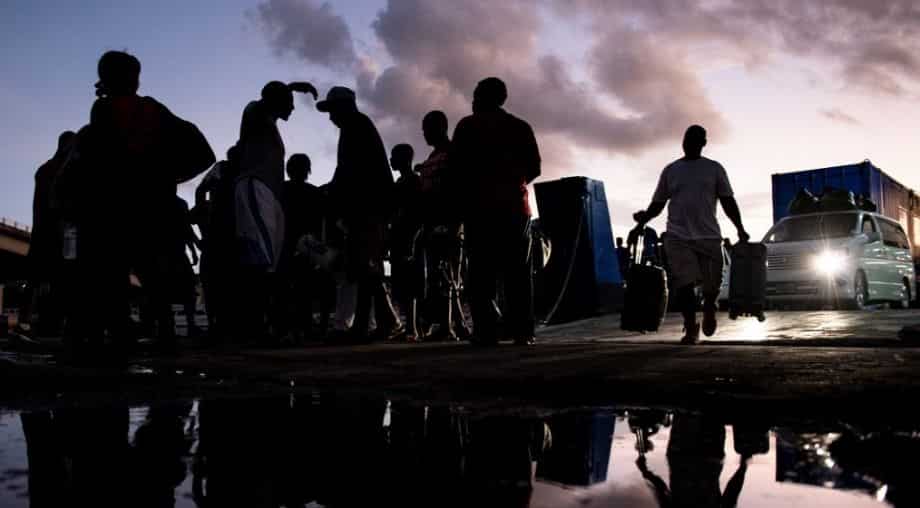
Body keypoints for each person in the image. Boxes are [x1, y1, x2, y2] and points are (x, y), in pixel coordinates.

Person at [54, 50, 215, 353]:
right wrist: (168, 177)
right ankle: (156, 334)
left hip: (116, 213)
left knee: (114, 276)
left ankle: (118, 334)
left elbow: (76, 174)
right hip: (146, 210)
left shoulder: (103, 119)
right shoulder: (149, 112)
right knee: (151, 276)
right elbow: (202, 151)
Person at [634, 125, 748, 344]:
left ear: (703, 143)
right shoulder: (671, 170)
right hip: (678, 236)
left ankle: (709, 307)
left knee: (711, 286)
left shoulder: (714, 168)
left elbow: (727, 200)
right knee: (684, 283)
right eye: (686, 139)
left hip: (708, 236)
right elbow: (658, 203)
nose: (688, 143)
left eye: (694, 139)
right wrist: (642, 222)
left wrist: (740, 228)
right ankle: (690, 327)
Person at [452, 77, 541, 346]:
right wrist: (512, 183)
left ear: (483, 97)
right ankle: (523, 332)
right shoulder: (520, 127)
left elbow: (456, 169)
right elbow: (535, 167)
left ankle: (486, 331)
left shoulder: (467, 126)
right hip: (515, 208)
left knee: (480, 274)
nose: (472, 98)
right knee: (518, 274)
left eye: (476, 94)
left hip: (479, 209)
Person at [232, 80, 317, 343]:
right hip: (255, 188)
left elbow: (272, 98)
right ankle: (254, 327)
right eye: (289, 102)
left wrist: (287, 90)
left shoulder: (268, 123)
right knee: (258, 260)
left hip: (268, 193)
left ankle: (262, 325)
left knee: (268, 262)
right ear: (277, 100)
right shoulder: (254, 112)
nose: (293, 107)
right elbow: (265, 98)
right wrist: (290, 87)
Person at [318, 86, 402, 342]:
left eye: (332, 110)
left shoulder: (356, 126)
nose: (330, 117)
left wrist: (332, 195)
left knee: (364, 267)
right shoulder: (356, 126)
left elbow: (349, 171)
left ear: (344, 106)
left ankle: (362, 327)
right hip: (368, 207)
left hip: (369, 208)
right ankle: (387, 321)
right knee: (366, 267)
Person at [417, 111, 469, 341]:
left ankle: (448, 327)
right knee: (440, 277)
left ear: (440, 127)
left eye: (427, 128)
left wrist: (453, 224)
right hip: (432, 224)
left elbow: (457, 191)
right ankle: (456, 326)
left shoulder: (452, 154)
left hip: (448, 224)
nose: (424, 133)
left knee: (447, 276)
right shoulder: (433, 156)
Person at [18, 131, 75, 338]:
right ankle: (52, 323)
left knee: (36, 278)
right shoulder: (58, 171)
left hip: (44, 230)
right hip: (54, 232)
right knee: (57, 277)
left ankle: (32, 321)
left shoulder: (45, 169)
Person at [278, 153, 329, 341]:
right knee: (305, 289)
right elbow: (319, 224)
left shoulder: (280, 190)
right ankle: (306, 327)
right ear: (307, 170)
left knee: (286, 289)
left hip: (285, 242)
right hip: (308, 243)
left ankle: (286, 328)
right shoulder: (315, 193)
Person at [389, 144, 424, 342]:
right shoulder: (401, 182)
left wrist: (412, 240)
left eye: (394, 156)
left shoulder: (413, 182)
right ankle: (410, 327)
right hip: (399, 237)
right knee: (402, 285)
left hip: (409, 238)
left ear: (404, 159)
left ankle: (412, 329)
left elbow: (418, 214)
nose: (391, 160)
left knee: (410, 285)